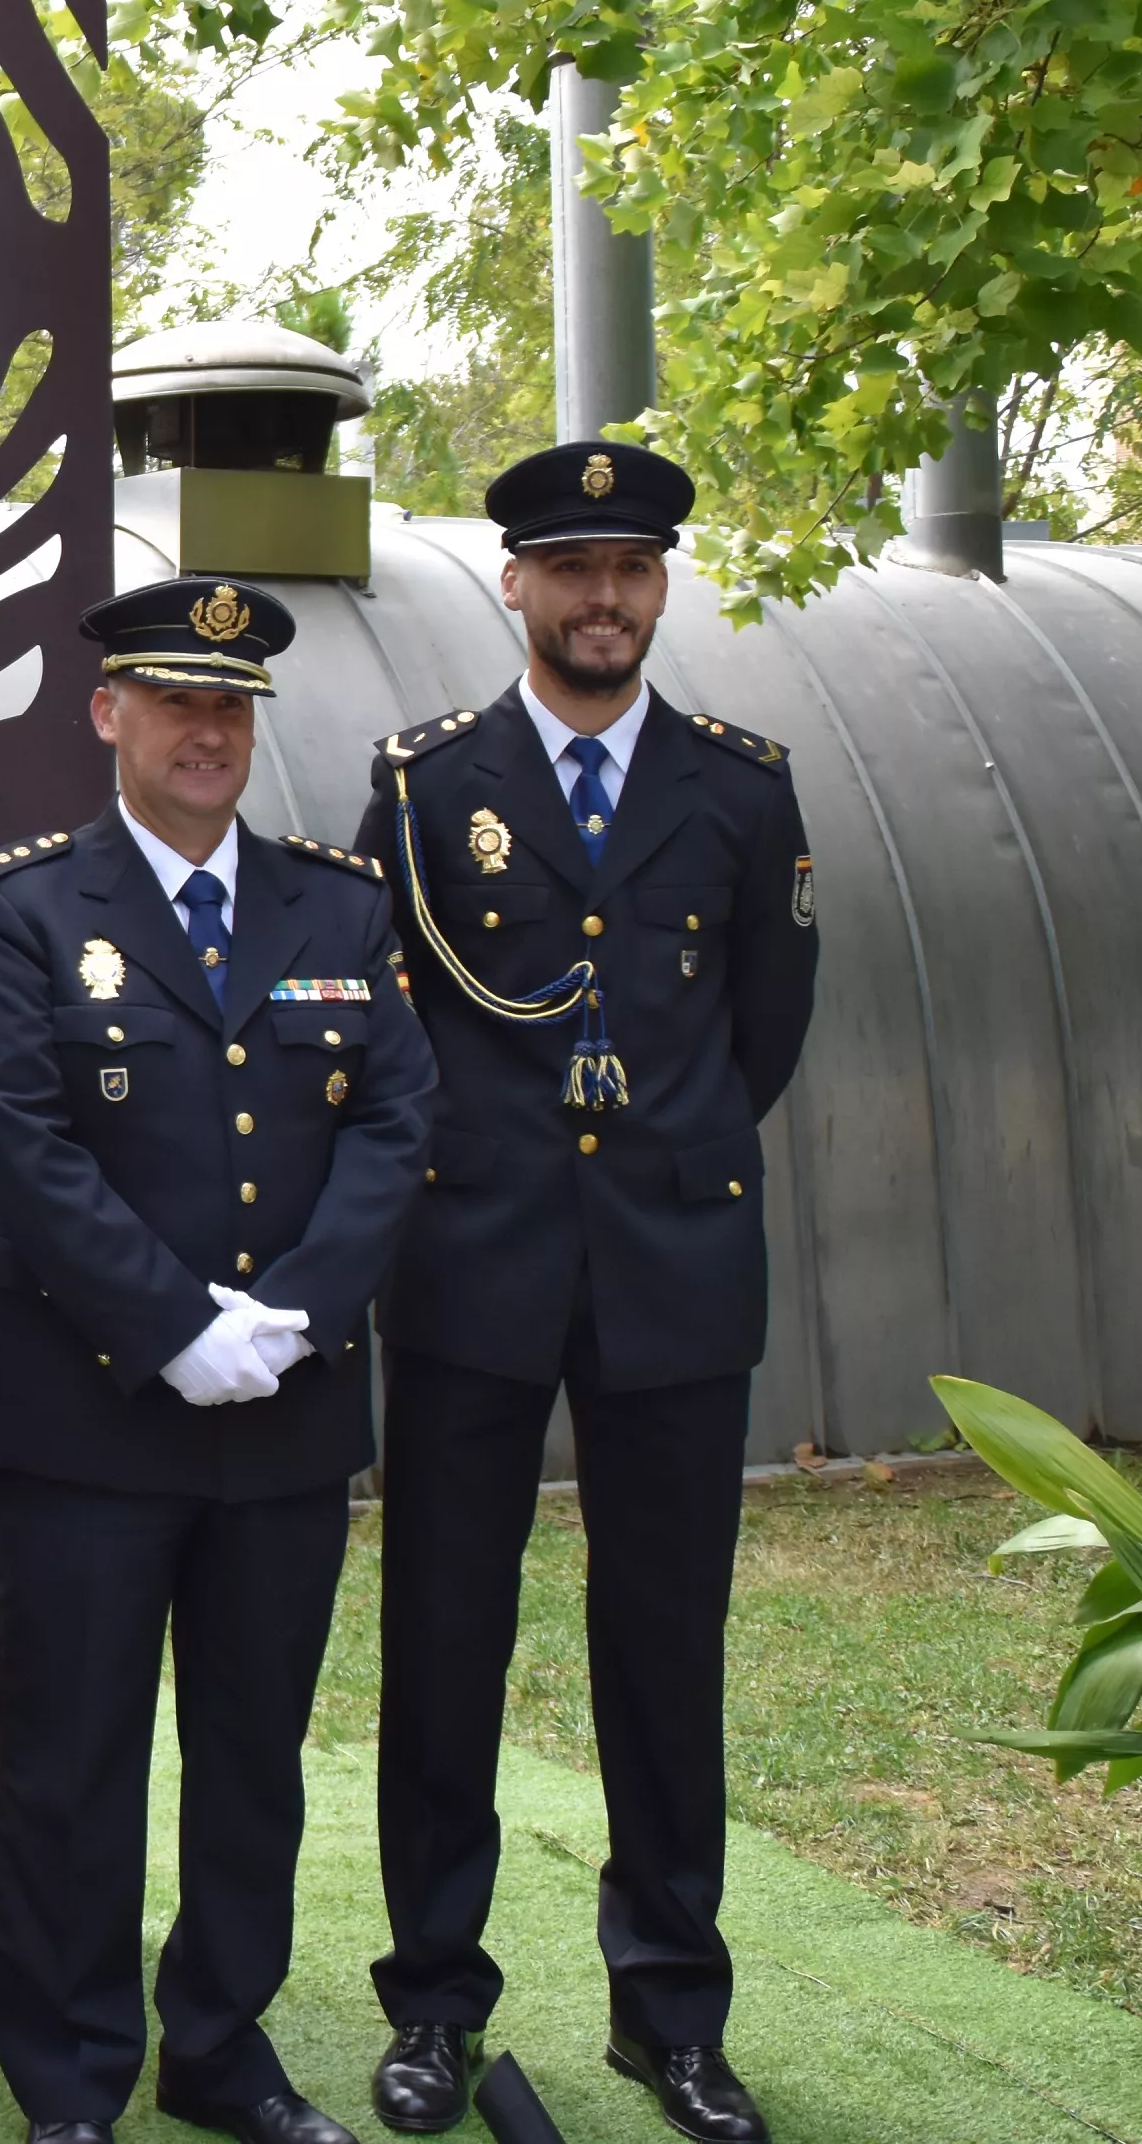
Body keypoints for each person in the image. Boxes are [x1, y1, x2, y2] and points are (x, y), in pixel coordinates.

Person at [349, 443, 820, 2144]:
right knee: (444, 1640)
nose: (603, 596)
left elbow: (763, 1029)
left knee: (665, 1647)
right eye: (572, 568)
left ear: (661, 585)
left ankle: (671, 2016)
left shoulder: (742, 787)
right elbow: (382, 1025)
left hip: (674, 1271)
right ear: (517, 584)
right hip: (472, 1263)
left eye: (630, 567)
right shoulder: (425, 784)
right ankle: (431, 1999)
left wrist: (647, 1163)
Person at [0, 577, 433, 2144]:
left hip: (285, 1411)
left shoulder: (340, 907)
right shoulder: (25, 908)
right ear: (110, 713)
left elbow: (398, 1119)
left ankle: (220, 2047)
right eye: (176, 700)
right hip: (87, 1416)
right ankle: (70, 2076)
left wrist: (292, 1313)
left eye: (231, 704)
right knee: (72, 1761)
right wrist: (174, 1325)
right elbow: (22, 1141)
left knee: (252, 1759)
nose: (208, 730)